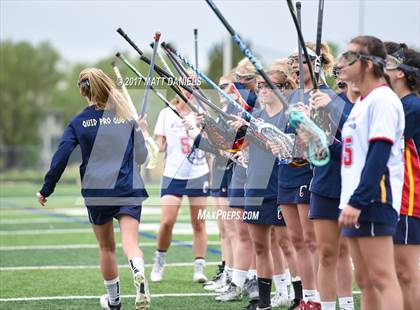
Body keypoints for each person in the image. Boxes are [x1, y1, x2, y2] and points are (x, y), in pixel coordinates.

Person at [36, 68, 150, 310]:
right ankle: (138, 272)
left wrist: (46, 189)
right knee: (131, 242)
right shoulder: (125, 117)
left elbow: (61, 157)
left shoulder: (78, 122)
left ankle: (114, 302)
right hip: (127, 186)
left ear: (82, 91)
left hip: (98, 192)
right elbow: (142, 157)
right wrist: (141, 131)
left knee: (106, 247)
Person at [337, 35, 405, 310]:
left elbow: (379, 154)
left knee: (382, 277)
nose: (341, 62)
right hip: (354, 200)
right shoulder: (362, 103)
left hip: (373, 199)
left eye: (349, 56)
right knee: (364, 280)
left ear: (367, 64)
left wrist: (358, 200)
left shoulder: (383, 100)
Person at [297, 46, 356, 310]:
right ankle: (329, 306)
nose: (341, 77)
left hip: (351, 185)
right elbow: (315, 148)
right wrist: (307, 123)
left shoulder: (364, 103)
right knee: (327, 253)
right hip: (324, 181)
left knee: (345, 252)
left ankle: (346, 304)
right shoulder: (323, 99)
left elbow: (351, 139)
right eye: (339, 72)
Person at [229, 69, 289, 310]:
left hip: (278, 186)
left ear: (283, 90)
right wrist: (241, 131)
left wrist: (256, 131)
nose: (262, 89)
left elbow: (286, 148)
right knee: (260, 246)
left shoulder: (288, 116)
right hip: (253, 186)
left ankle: (296, 296)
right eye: (261, 85)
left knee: (286, 244)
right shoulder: (254, 115)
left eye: (269, 85)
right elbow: (236, 147)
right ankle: (263, 302)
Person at [150, 94, 209, 283]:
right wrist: (144, 134)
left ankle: (199, 267)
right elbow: (159, 146)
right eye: (184, 86)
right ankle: (159, 259)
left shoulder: (201, 113)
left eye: (192, 87)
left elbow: (211, 142)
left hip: (198, 173)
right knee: (167, 221)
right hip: (173, 173)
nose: (188, 92)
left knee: (198, 222)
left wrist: (202, 125)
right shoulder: (166, 114)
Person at [384, 42, 420, 310]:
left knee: (406, 272)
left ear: (401, 73)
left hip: (410, 195)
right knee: (397, 271)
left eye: (389, 65)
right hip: (398, 195)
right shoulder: (399, 104)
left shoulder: (410, 106)